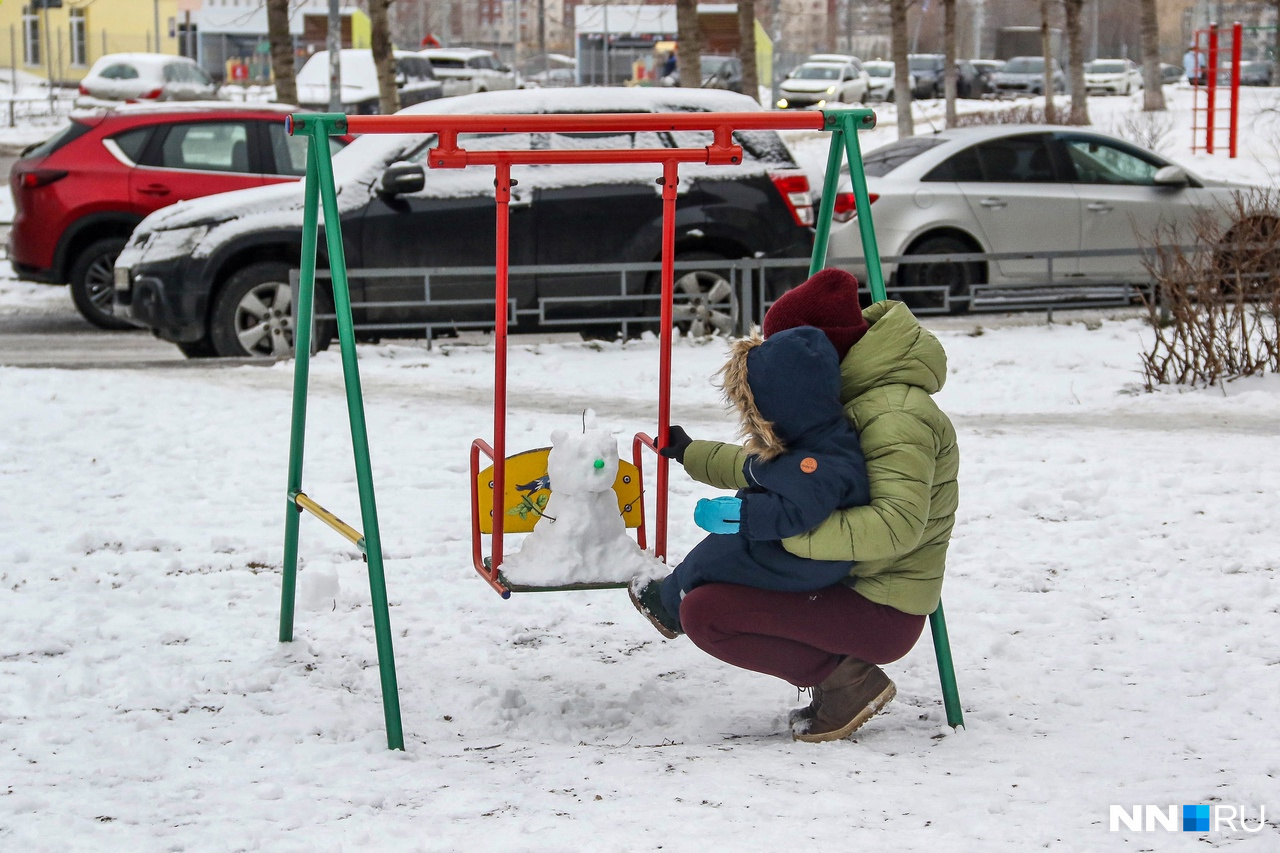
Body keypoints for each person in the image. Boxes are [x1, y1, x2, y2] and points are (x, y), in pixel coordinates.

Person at [632, 268, 959, 743]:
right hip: (838, 578)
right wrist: (690, 453)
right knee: (715, 576)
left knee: (706, 613)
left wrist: (778, 527)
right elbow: (767, 468)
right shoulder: (838, 404)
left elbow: (896, 527)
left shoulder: (895, 415)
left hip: (881, 604)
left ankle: (847, 681)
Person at [629, 324, 872, 638]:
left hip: (809, 562)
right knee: (728, 545)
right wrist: (689, 451)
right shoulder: (819, 436)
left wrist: (739, 513)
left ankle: (667, 605)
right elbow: (759, 469)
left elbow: (796, 510)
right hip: (808, 555)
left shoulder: (817, 464)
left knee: (718, 555)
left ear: (780, 404)